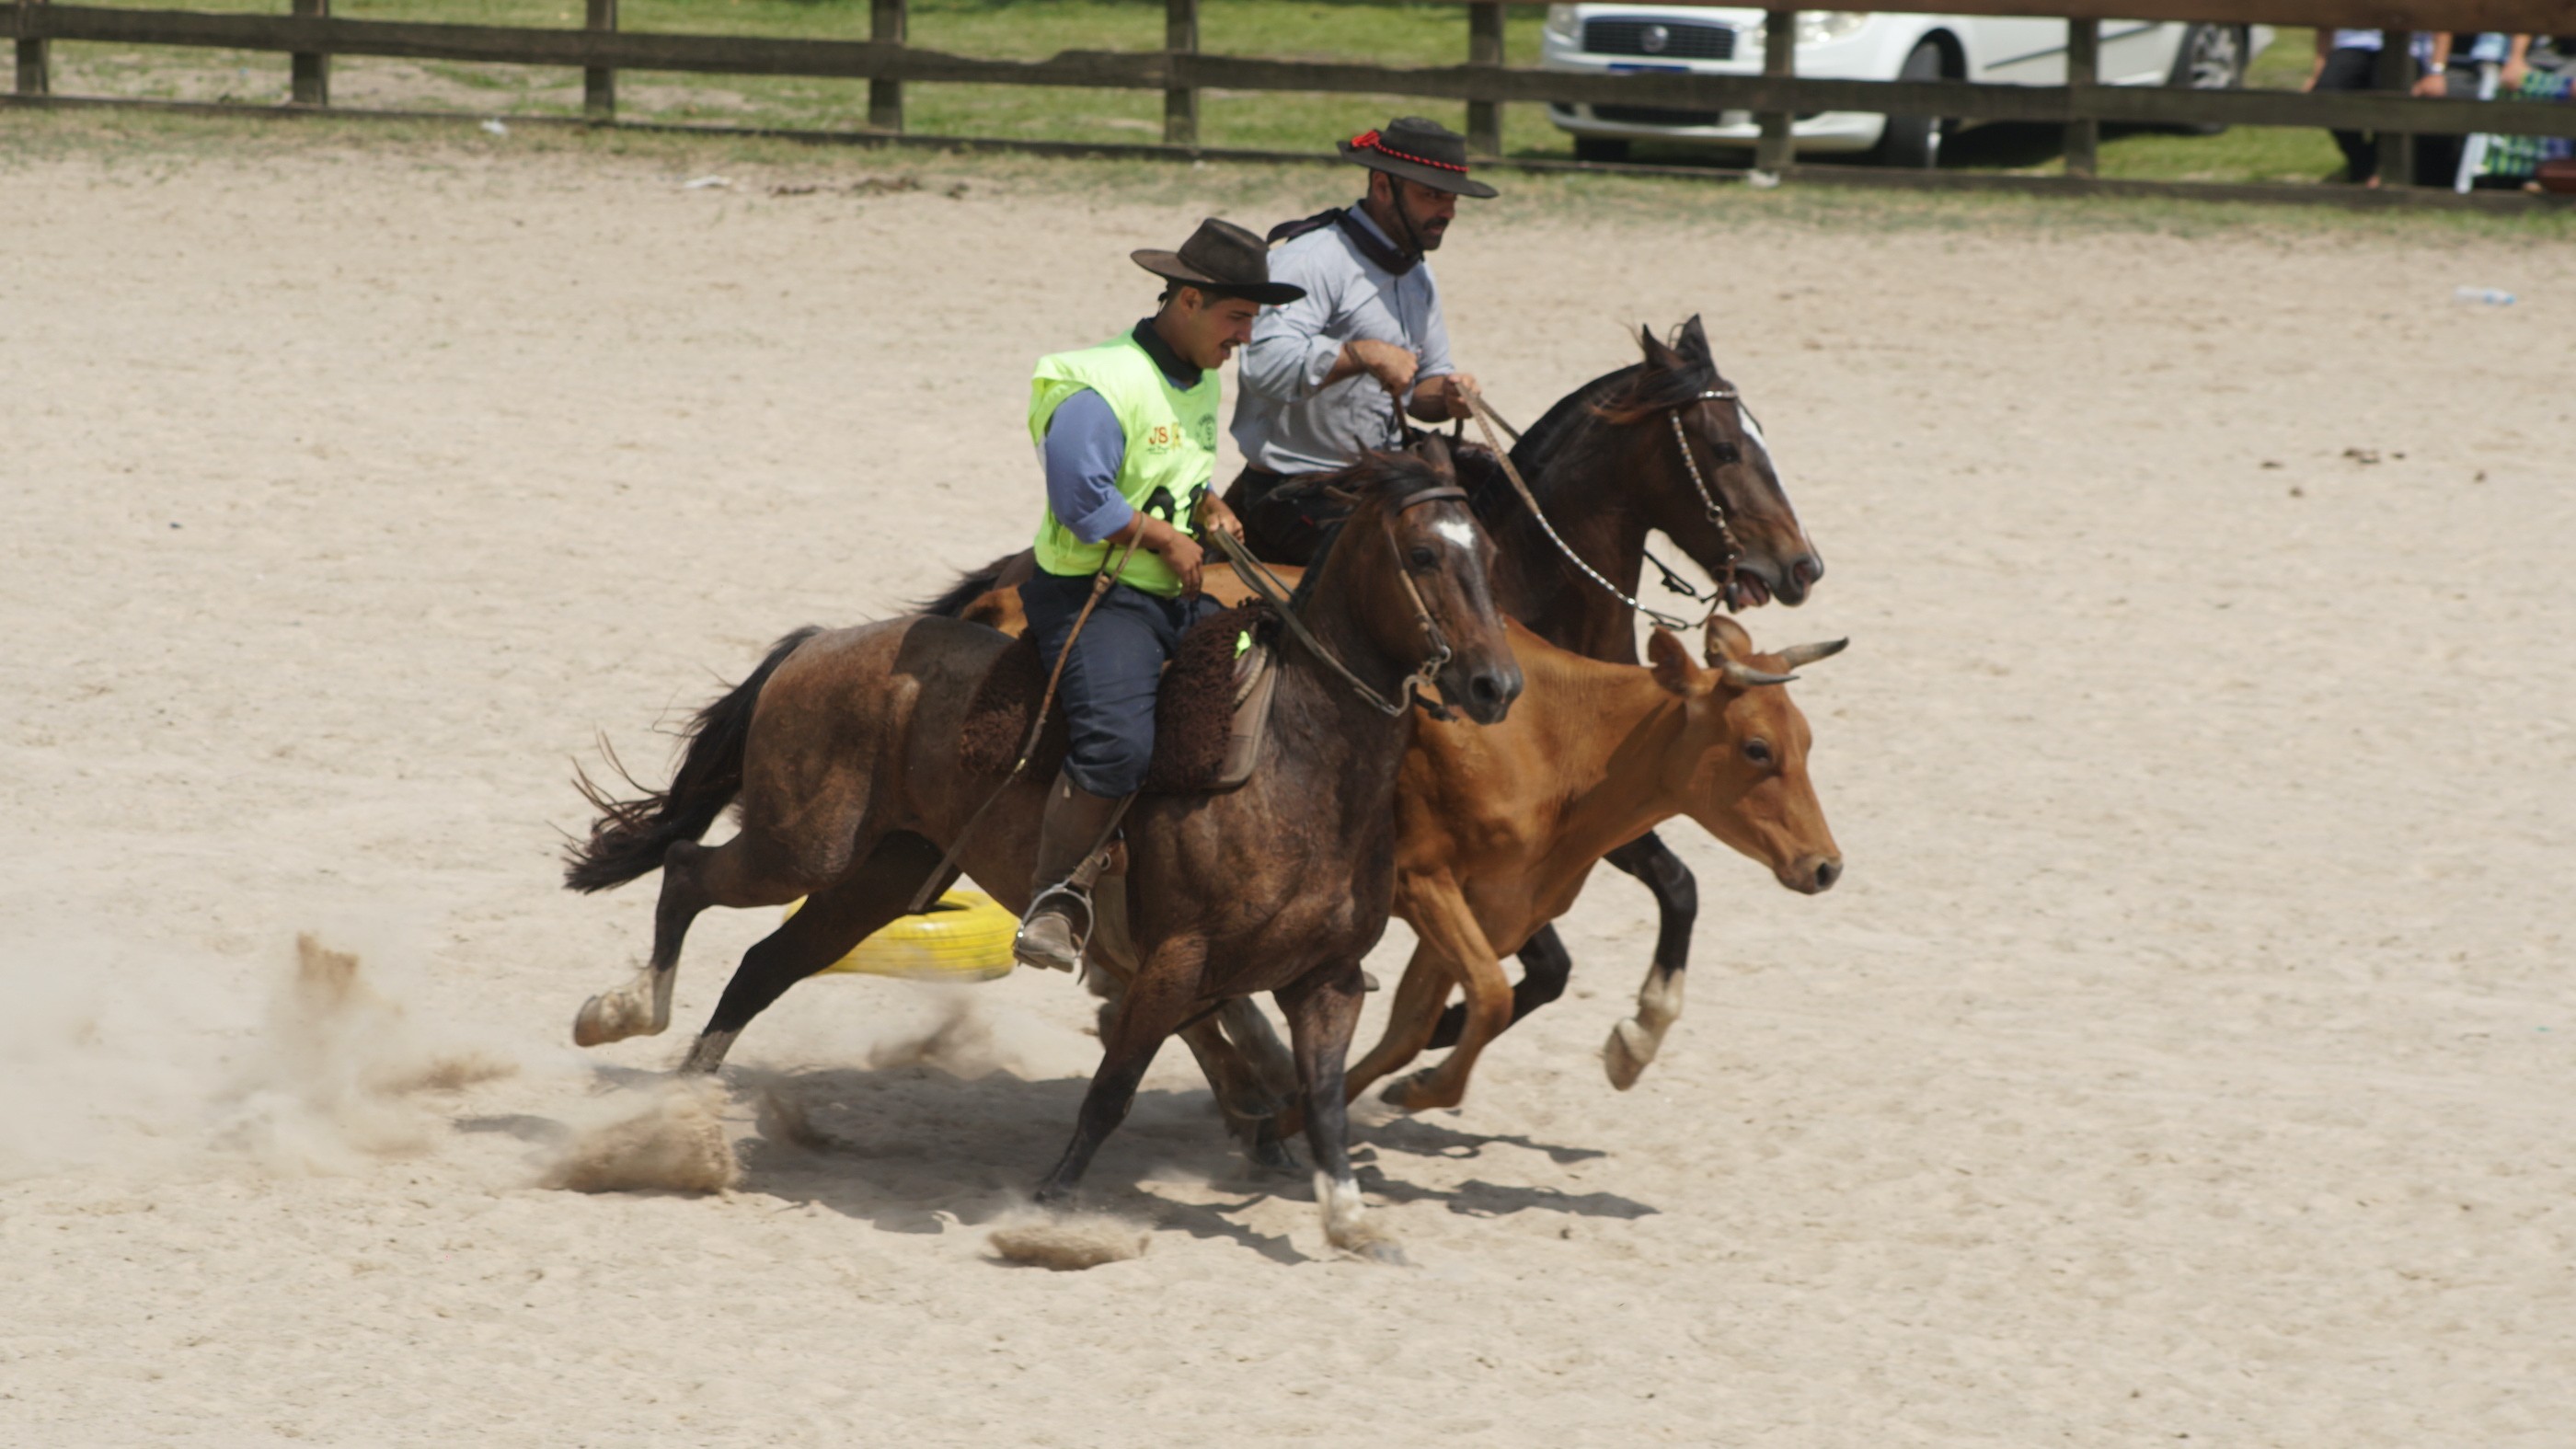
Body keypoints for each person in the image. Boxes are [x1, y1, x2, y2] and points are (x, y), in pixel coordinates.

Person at [1012, 218, 1305, 973]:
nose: (1245, 336)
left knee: (1276, 688)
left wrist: (1205, 503)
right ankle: (1055, 898)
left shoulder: (1198, 370)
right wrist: (1168, 539)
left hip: (1170, 595)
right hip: (1094, 596)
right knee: (1118, 746)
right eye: (1237, 317)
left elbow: (1167, 458)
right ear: (1188, 300)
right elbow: (1082, 499)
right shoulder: (1098, 383)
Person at [1224, 117, 1498, 565]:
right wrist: (1360, 354)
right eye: (1432, 195)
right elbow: (1265, 365)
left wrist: (1448, 395)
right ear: (1383, 187)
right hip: (1293, 492)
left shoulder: (1417, 275)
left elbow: (1419, 392)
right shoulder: (1312, 260)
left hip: (1376, 483)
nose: (1446, 211)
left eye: (1451, 199)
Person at [2306, 28, 2442, 185]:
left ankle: (2374, 170)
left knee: (2389, 98)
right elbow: (2326, 20)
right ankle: (2365, 167)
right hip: (2352, 44)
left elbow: (2443, 28)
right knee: (2327, 92)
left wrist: (2435, 71)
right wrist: (2317, 74)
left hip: (2409, 48)